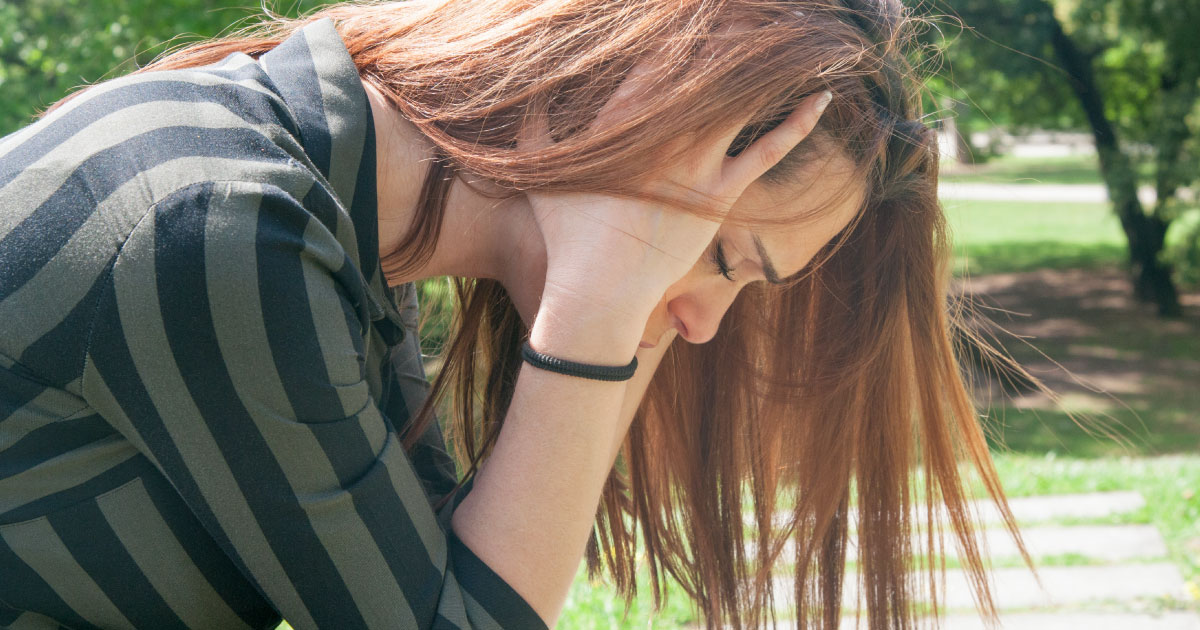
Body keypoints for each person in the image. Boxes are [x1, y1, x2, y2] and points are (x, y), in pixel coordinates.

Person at [0, 1, 1034, 629]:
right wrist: (597, 310)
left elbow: (451, 590)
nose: (709, 320)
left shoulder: (343, 240)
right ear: (632, 114)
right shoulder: (220, 223)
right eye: (725, 259)